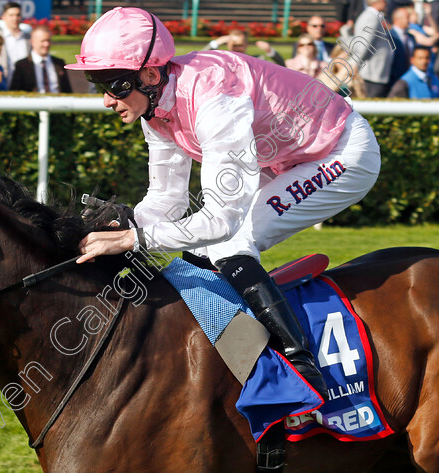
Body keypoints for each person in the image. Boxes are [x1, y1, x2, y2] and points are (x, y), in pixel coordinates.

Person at [67, 7, 382, 400]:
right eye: (99, 85)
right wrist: (121, 232)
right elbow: (167, 198)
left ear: (149, 75)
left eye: (114, 85)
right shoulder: (156, 103)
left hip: (340, 154)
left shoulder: (216, 94)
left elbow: (221, 220)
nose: (106, 101)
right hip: (283, 156)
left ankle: (302, 374)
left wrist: (133, 240)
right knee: (202, 251)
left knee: (229, 243)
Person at [9, 24, 72, 93]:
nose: (46, 44)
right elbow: (15, 92)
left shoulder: (59, 63)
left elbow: (67, 90)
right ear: (32, 42)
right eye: (43, 41)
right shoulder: (21, 65)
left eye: (48, 40)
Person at [352, 0, 395, 97]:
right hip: (371, 74)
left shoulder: (373, 16)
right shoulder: (371, 17)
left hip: (374, 74)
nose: (387, 3)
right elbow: (364, 44)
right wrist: (355, 64)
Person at [204, 29, 285, 67]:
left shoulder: (257, 59)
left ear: (246, 44)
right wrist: (215, 44)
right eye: (234, 46)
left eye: (240, 45)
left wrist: (269, 51)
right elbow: (198, 61)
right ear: (228, 45)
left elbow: (282, 67)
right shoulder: (221, 61)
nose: (237, 49)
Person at [0, 1, 30, 84]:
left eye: (18, 15)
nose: (15, 18)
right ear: (3, 17)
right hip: (3, 82)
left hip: (25, 83)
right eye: (11, 15)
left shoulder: (28, 38)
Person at [388, 7, 417, 88]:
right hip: (393, 80)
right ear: (398, 19)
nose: (409, 20)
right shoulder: (388, 36)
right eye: (407, 17)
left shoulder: (411, 38)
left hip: (408, 80)